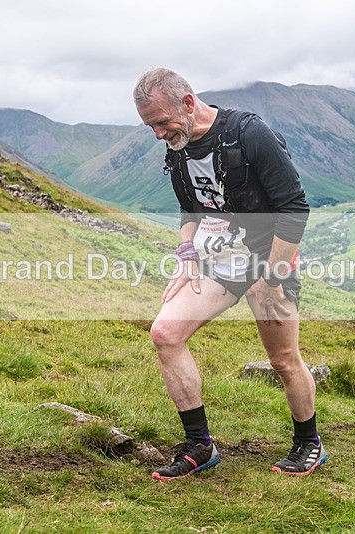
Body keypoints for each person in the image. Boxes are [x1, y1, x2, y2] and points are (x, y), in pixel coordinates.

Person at [133, 68, 326, 481]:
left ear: (187, 103)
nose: (157, 134)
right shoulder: (178, 144)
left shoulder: (248, 133)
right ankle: (200, 447)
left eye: (161, 123)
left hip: (270, 256)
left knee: (283, 360)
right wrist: (187, 255)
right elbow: (191, 210)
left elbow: (294, 208)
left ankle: (309, 443)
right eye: (150, 126)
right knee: (165, 334)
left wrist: (271, 276)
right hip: (220, 259)